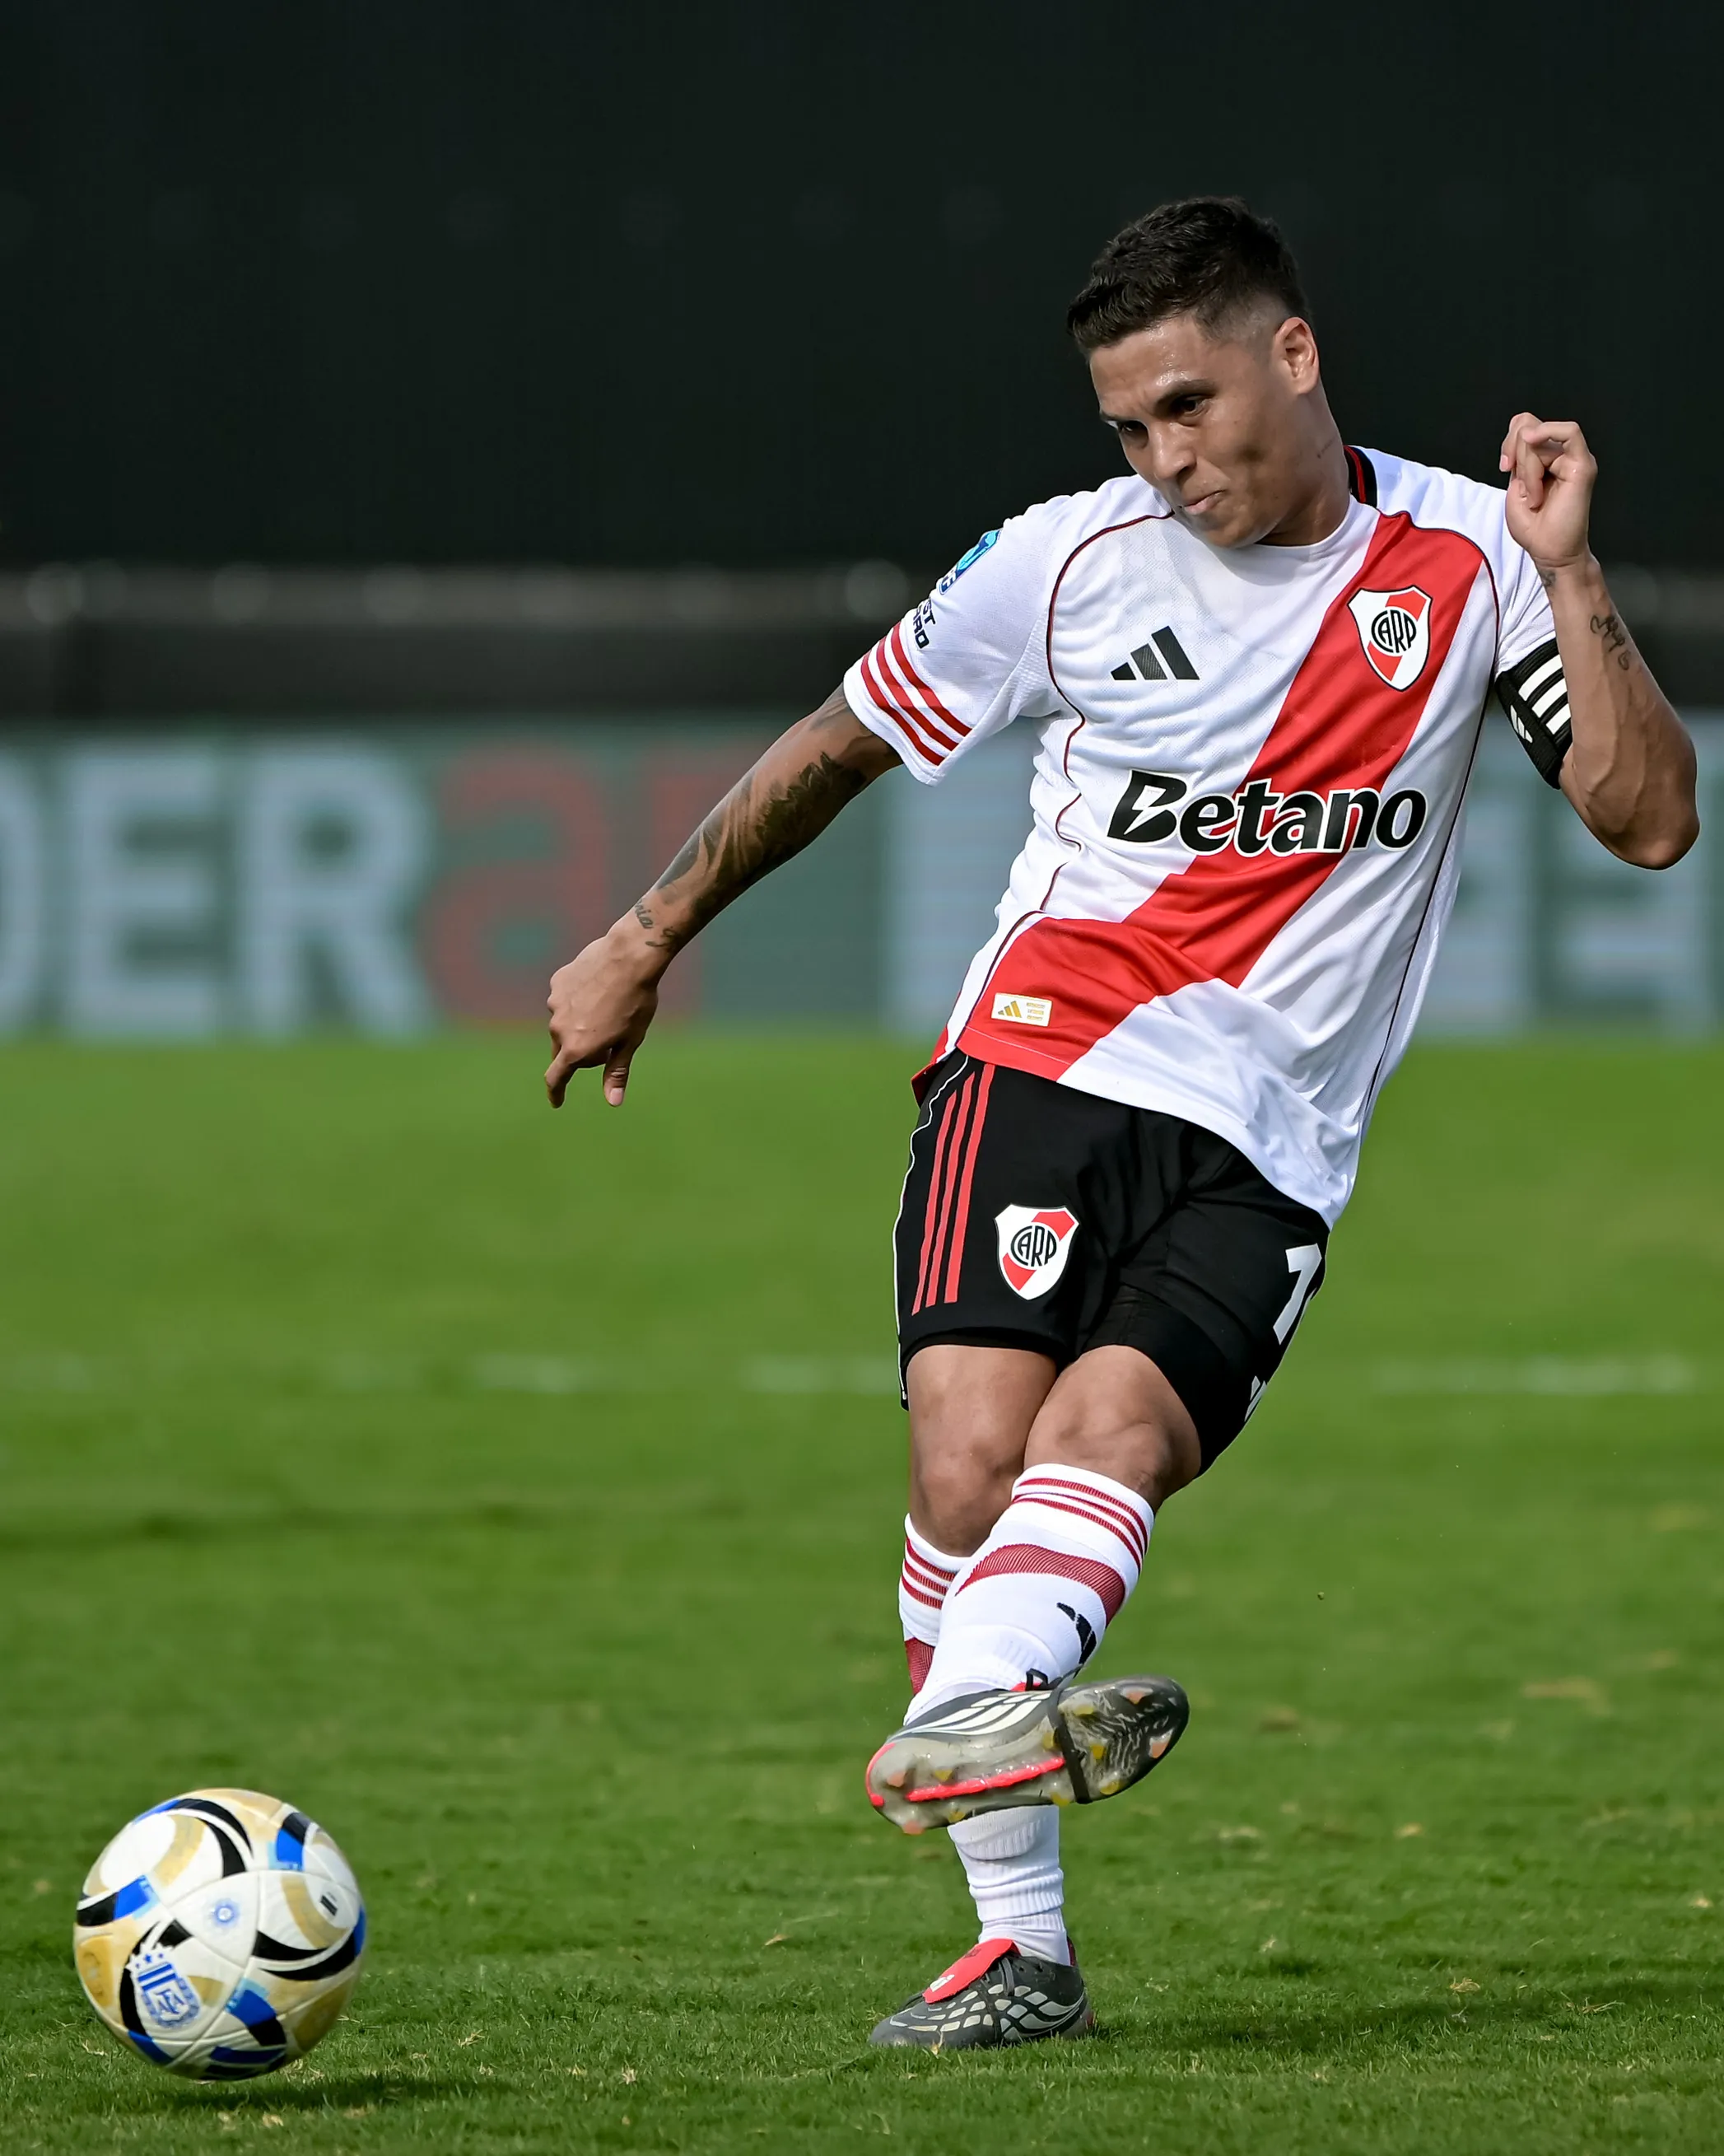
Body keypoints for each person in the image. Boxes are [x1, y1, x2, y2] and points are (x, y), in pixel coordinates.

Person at [543, 197, 1698, 2050]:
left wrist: (1571, 571)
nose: (1166, 464)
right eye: (1130, 431)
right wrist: (645, 931)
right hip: (1047, 1055)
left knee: (1116, 1440)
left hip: (1281, 1138)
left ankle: (969, 1719)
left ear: (1293, 355)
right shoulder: (1062, 567)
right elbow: (840, 737)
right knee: (968, 1466)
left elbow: (1650, 822)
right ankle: (1018, 1938)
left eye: (1188, 408)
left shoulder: (1476, 561)